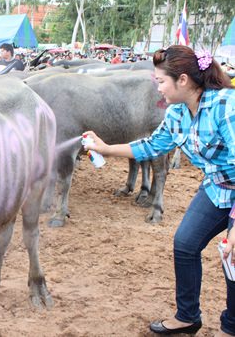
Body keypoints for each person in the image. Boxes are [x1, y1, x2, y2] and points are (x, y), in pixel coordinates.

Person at [82, 45, 235, 336]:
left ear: (183, 81)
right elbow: (151, 145)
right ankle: (188, 316)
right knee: (185, 244)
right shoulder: (178, 113)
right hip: (217, 187)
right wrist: (105, 148)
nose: (158, 89)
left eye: (161, 81)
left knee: (233, 257)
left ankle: (231, 326)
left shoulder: (226, 105)